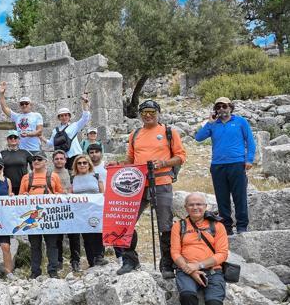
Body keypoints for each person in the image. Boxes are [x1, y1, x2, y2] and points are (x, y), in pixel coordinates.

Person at [111, 99, 186, 277]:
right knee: (126, 221)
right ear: (140, 115)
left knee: (165, 224)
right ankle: (130, 260)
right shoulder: (135, 134)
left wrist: (164, 163)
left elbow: (181, 156)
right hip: (136, 185)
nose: (148, 115)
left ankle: (167, 264)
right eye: (144, 112)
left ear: (158, 113)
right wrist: (119, 166)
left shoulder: (169, 132)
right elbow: (130, 159)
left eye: (151, 112)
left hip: (161, 182)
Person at [171, 192, 229, 305]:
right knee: (188, 296)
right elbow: (175, 253)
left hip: (213, 271)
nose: (195, 207)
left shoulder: (217, 226)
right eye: (191, 205)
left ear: (206, 207)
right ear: (185, 208)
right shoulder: (179, 226)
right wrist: (191, 270)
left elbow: (222, 254)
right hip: (186, 271)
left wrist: (199, 265)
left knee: (213, 303)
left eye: (199, 204)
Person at [194, 96, 256, 235]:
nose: (221, 109)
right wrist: (209, 123)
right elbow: (198, 138)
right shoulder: (213, 124)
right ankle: (226, 228)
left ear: (230, 107)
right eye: (218, 107)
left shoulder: (240, 122)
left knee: (239, 197)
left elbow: (250, 142)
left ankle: (242, 227)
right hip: (218, 166)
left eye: (224, 106)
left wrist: (249, 160)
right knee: (222, 198)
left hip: (237, 164)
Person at [19, 151, 64, 279]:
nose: (36, 161)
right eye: (34, 160)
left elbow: (60, 195)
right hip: (33, 217)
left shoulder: (54, 176)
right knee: (35, 245)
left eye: (39, 159)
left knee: (52, 244)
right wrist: (24, 196)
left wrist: (54, 196)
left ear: (46, 161)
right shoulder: (26, 177)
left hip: (49, 216)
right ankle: (35, 271)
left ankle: (53, 270)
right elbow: (20, 196)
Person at [70, 155, 106, 268]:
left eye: (84, 163)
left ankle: (99, 257)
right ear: (76, 165)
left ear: (89, 164)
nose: (82, 165)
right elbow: (70, 195)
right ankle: (91, 260)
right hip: (80, 212)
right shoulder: (73, 178)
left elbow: (102, 193)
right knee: (86, 236)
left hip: (95, 210)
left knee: (97, 233)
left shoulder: (96, 176)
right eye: (79, 163)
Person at [45, 94, 91, 169]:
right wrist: (40, 137)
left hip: (75, 155)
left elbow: (85, 118)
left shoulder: (74, 126)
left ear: (69, 117)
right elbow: (51, 143)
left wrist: (84, 104)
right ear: (59, 118)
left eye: (66, 115)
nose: (64, 117)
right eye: (62, 116)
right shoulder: (55, 130)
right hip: (63, 158)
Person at [0, 82, 44, 152]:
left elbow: (39, 131)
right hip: (21, 150)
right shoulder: (17, 116)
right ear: (20, 106)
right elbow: (4, 108)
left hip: (34, 149)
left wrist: (28, 134)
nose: (24, 105)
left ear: (30, 105)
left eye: (26, 103)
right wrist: (2, 94)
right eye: (22, 104)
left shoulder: (37, 115)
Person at [1, 130, 30, 195]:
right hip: (6, 185)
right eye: (10, 137)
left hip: (23, 185)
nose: (13, 139)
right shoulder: (2, 153)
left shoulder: (25, 153)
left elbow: (35, 165)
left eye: (15, 137)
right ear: (7, 140)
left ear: (19, 140)